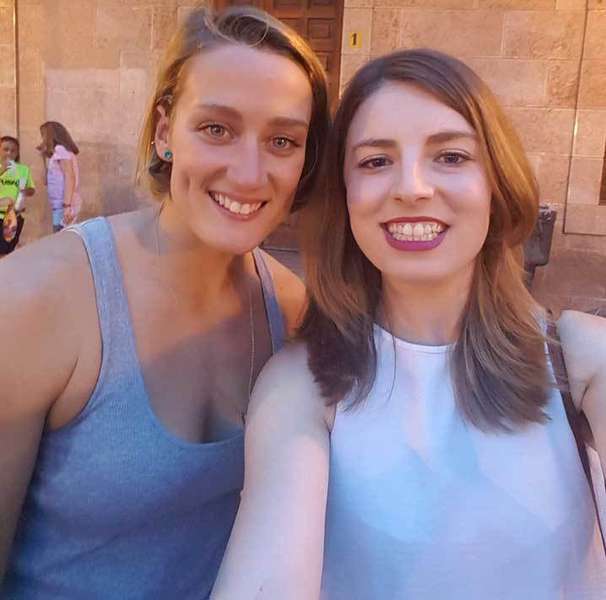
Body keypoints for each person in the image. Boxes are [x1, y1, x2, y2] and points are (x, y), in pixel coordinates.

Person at [212, 49, 606, 599]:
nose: (412, 188)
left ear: (495, 181)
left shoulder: (584, 361)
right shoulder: (303, 386)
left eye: (450, 156)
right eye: (376, 162)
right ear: (344, 195)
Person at [0, 5, 329, 598]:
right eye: (216, 129)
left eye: (282, 140)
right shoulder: (39, 300)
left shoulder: (290, 308)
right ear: (163, 131)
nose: (249, 173)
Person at [37, 121, 81, 232]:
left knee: (60, 236)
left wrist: (67, 206)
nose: (42, 140)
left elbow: (69, 177)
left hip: (64, 204)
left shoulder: (60, 150)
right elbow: (45, 181)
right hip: (61, 204)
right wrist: (43, 158)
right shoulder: (61, 152)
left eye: (43, 135)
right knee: (60, 235)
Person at [0, 135, 35, 254]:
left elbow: (31, 190)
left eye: (13, 151)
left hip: (13, 218)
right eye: (5, 149)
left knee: (6, 251)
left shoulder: (22, 170)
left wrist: (25, 190)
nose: (9, 153)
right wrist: (3, 169)